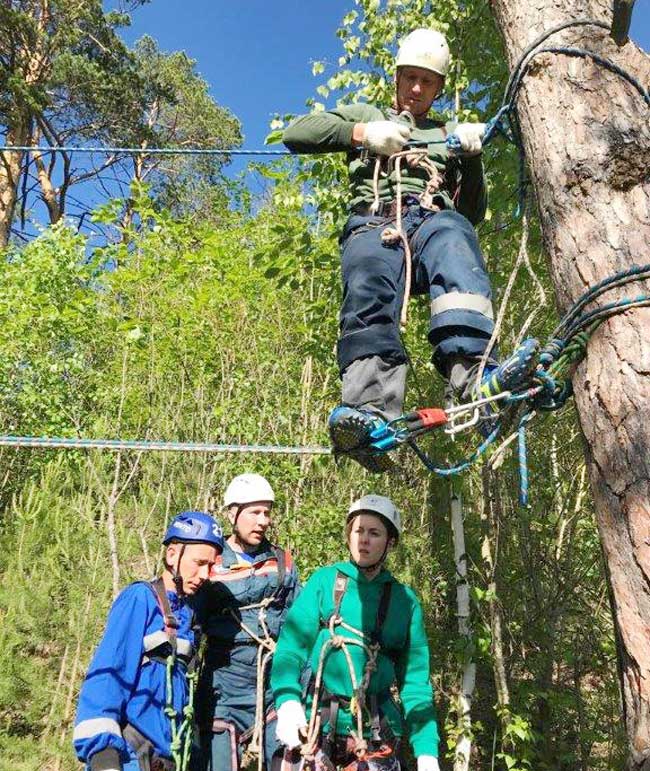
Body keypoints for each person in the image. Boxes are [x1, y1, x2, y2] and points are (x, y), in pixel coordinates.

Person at [282, 28, 538, 472]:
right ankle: (370, 412)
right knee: (367, 276)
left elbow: (471, 213)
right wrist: (362, 133)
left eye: (428, 81)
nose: (417, 89)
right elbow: (297, 133)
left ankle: (473, 378)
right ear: (397, 78)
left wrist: (471, 159)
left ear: (439, 88)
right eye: (410, 78)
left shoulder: (448, 134)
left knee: (456, 237)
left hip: (432, 220)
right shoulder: (368, 114)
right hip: (376, 222)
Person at [271, 494, 441, 771]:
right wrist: (288, 701)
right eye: (358, 531)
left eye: (374, 533)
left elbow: (415, 683)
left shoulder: (404, 601)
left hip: (376, 728)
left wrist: (426, 753)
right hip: (319, 720)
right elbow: (291, 648)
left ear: (391, 542)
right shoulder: (325, 582)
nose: (363, 540)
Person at [73, 511, 225, 771]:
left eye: (210, 566)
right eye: (199, 563)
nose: (205, 574)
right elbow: (107, 677)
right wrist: (103, 757)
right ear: (172, 555)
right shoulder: (140, 600)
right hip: (129, 759)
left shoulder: (188, 616)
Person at [192, 473, 301, 771]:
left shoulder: (282, 563)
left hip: (273, 685)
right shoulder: (210, 566)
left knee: (288, 763)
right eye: (254, 512)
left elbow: (301, 630)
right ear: (232, 513)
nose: (263, 520)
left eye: (267, 512)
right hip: (223, 687)